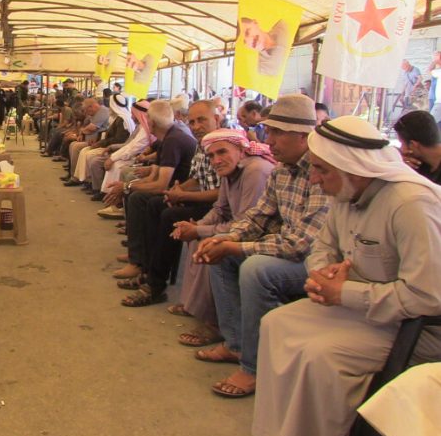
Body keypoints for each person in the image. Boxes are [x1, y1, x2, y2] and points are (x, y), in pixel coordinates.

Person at [253, 116, 441, 436]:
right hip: (362, 311)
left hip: (414, 327)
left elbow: (426, 297)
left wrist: (344, 293)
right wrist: (322, 273)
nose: (313, 179)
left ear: (354, 169)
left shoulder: (411, 204)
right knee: (275, 323)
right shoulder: (344, 194)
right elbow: (323, 247)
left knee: (320, 355)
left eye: (321, 170)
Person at [192, 94, 329, 398]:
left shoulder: (321, 171)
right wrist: (226, 239)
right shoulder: (282, 170)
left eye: (278, 133)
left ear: (304, 136)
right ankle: (236, 344)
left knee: (256, 269)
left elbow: (301, 245)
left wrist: (237, 247)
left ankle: (254, 368)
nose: (269, 140)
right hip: (288, 249)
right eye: (269, 131)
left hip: (318, 261)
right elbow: (258, 216)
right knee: (220, 253)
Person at [169, 129, 276, 347]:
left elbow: (247, 224)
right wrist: (197, 225)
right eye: (211, 156)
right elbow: (220, 209)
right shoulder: (230, 170)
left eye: (222, 152)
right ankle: (195, 305)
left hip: (261, 236)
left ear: (240, 150)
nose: (216, 160)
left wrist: (200, 231)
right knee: (198, 237)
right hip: (242, 229)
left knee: (212, 247)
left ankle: (216, 322)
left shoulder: (255, 171)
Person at [117, 100, 222, 306]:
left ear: (217, 119)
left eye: (202, 120)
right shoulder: (201, 143)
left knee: (167, 214)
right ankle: (146, 268)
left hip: (217, 208)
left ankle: (154, 285)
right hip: (202, 199)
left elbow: (221, 194)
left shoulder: (223, 144)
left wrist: (182, 195)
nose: (196, 126)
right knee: (155, 204)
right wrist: (178, 191)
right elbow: (197, 179)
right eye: (192, 121)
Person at [394, 110, 441, 184]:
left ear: (413, 145)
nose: (402, 149)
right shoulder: (419, 162)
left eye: (401, 143)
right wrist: (400, 164)